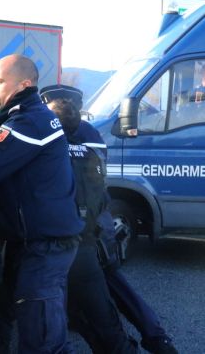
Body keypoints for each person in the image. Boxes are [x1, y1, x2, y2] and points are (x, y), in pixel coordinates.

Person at [0, 54, 84, 353]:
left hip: (43, 244)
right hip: (36, 239)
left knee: (42, 335)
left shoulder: (27, 121)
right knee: (6, 314)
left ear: (24, 84)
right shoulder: (30, 115)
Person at [41, 84, 179, 354]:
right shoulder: (91, 134)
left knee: (99, 291)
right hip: (97, 222)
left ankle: (140, 340)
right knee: (114, 286)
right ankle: (155, 338)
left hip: (84, 229)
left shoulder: (57, 136)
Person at [43, 91, 139, 354]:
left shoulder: (48, 154)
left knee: (52, 322)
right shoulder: (91, 153)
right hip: (87, 245)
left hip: (57, 248)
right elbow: (101, 199)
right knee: (103, 318)